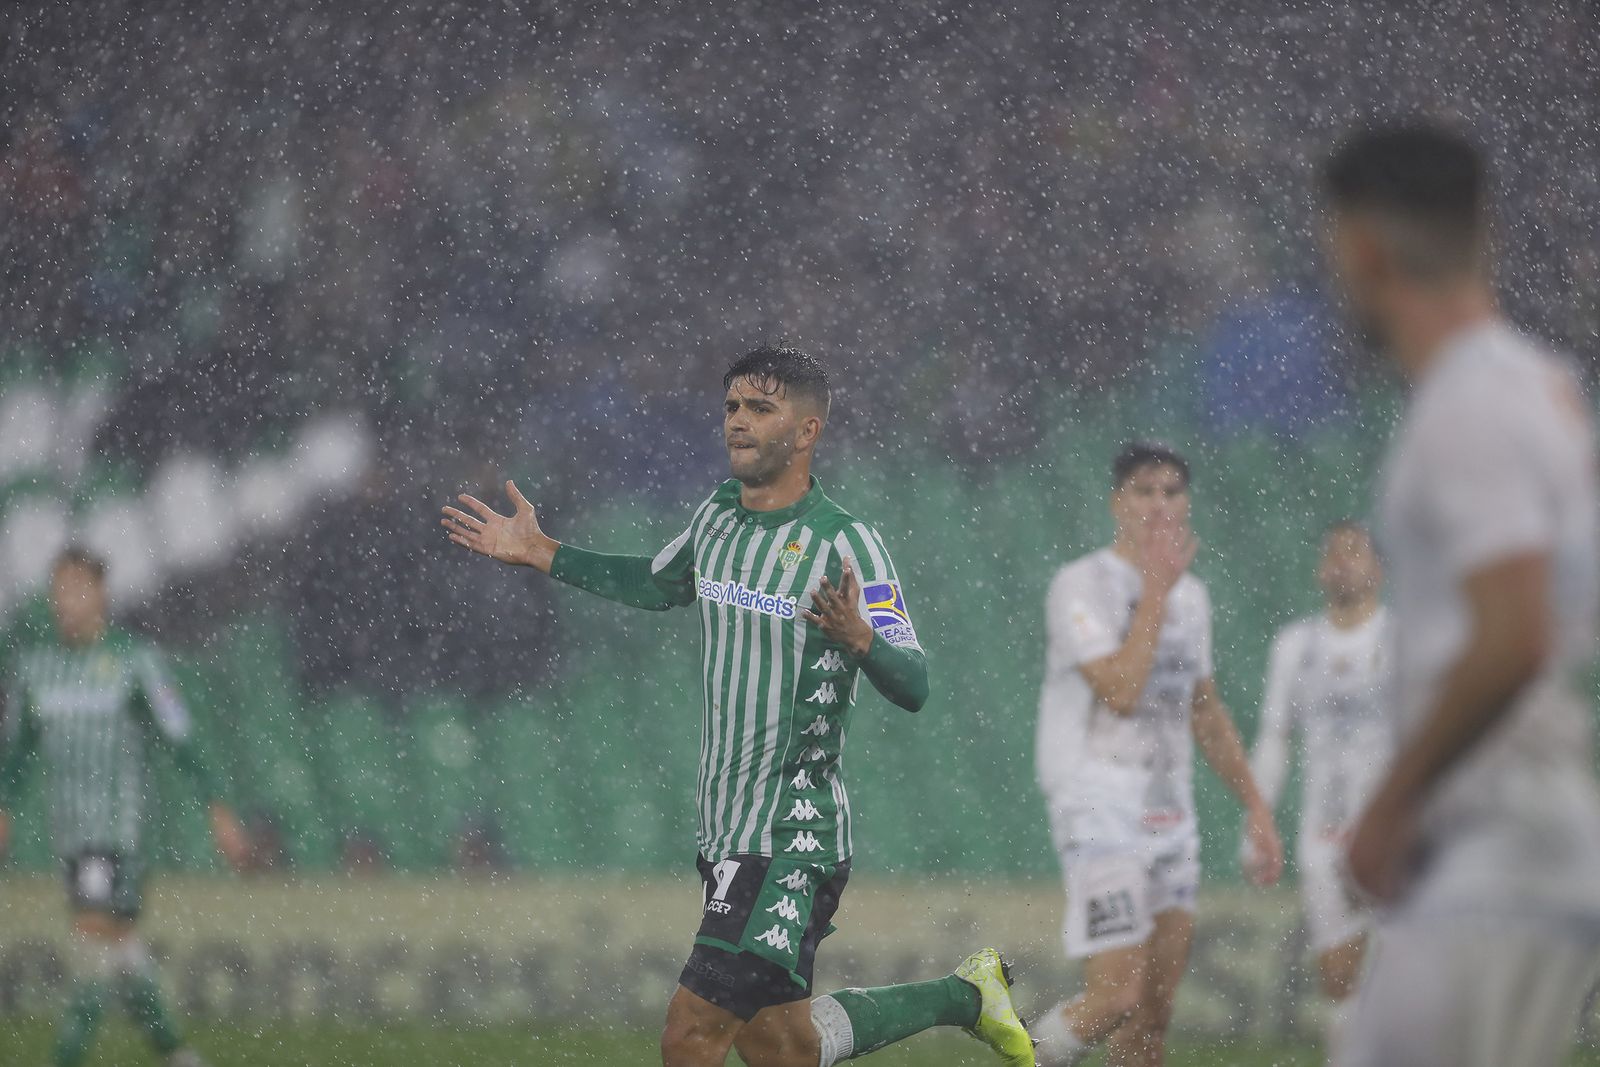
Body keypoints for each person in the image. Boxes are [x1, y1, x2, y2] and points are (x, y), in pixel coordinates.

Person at [441, 346, 1035, 1067]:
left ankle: (965, 996)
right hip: (725, 830)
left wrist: (860, 640)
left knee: (689, 1037)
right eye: (731, 407)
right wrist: (545, 553)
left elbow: (914, 683)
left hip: (789, 836)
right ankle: (966, 995)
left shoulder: (847, 543)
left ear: (807, 429)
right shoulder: (718, 514)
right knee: (781, 1046)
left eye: (761, 407)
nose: (739, 422)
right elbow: (661, 582)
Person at [1326, 123, 1600, 1067]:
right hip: (1523, 851)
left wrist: (1393, 807)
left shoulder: (1468, 409)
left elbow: (1516, 635)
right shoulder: (1542, 386)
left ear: (1360, 247)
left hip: (1499, 849)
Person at [1030, 442, 1284, 1067]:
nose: (1159, 504)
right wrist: (1154, 591)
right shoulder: (1079, 584)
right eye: (1144, 491)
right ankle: (1032, 1054)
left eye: (1172, 492)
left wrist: (1256, 806)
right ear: (1118, 502)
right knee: (1116, 997)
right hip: (1097, 801)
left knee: (1151, 1022)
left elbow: (1204, 706)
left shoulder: (1192, 597)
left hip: (1169, 812)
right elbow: (1119, 691)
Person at [0, 547, 249, 1067]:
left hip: (117, 830)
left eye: (76, 588)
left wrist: (217, 807)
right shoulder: (36, 669)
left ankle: (65, 1059)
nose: (65, 601)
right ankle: (177, 1054)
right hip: (68, 833)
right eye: (58, 590)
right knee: (122, 949)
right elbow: (16, 753)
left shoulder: (135, 660)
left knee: (93, 943)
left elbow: (182, 737)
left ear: (101, 593)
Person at [1245, 521, 1389, 1062]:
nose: (1342, 563)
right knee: (1338, 972)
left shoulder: (1400, 640)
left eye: (1355, 553)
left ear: (1378, 570)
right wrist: (1257, 821)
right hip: (1324, 833)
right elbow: (1275, 738)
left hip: (1391, 830)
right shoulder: (1297, 646)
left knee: (1403, 969)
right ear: (1319, 570)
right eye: (1333, 554)